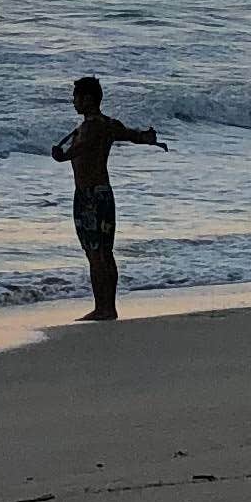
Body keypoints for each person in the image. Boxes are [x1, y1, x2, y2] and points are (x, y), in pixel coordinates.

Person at [48, 74, 162, 321]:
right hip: (103, 194)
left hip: (89, 196)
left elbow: (78, 150)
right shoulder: (107, 123)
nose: (73, 102)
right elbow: (131, 134)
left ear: (88, 99)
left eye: (76, 97)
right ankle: (107, 307)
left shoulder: (91, 127)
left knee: (95, 253)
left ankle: (103, 308)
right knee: (105, 252)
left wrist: (61, 155)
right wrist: (147, 138)